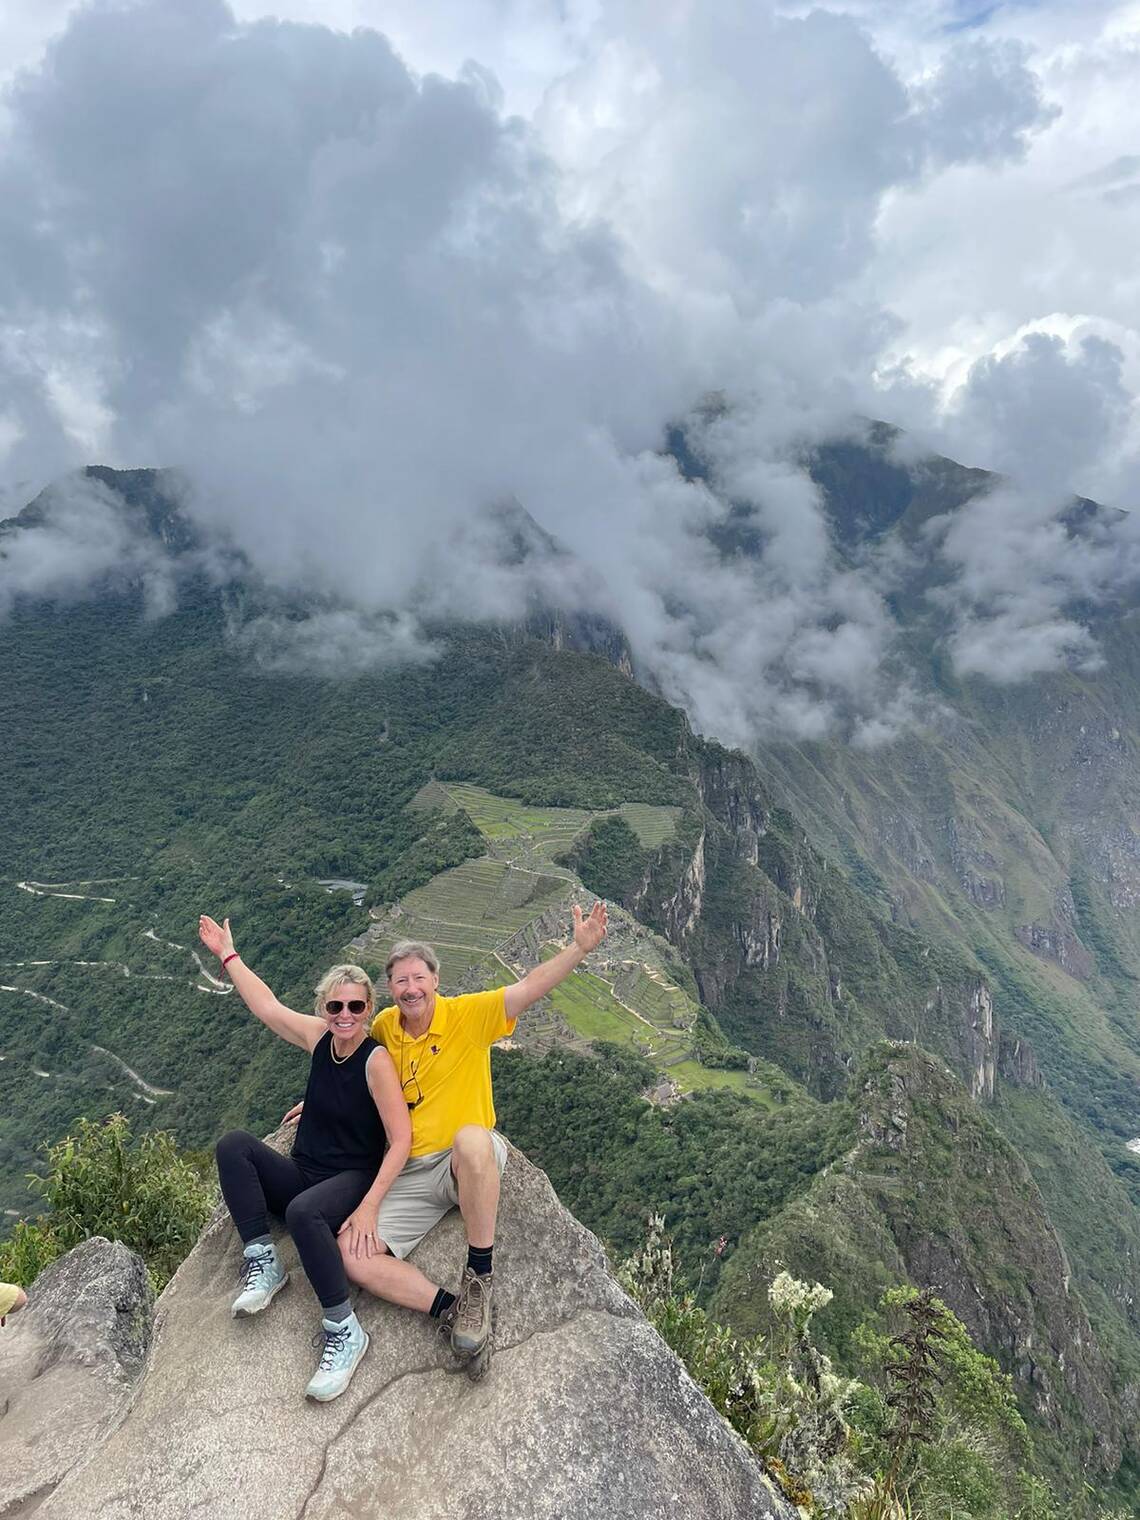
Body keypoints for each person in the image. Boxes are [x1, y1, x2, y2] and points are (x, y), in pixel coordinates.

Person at [288, 900, 607, 1377]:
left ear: (436, 980)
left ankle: (479, 1274)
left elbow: (527, 989)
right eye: (401, 980)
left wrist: (578, 950)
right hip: (410, 1170)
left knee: (472, 1140)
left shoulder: (468, 1015)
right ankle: (451, 1307)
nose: (411, 988)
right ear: (390, 990)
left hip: (463, 1162)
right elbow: (351, 1065)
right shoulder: (383, 1028)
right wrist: (319, 1101)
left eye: (420, 978)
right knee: (352, 1255)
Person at [198, 914, 411, 1402]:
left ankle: (343, 1328)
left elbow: (400, 1139)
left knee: (302, 1212)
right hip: (306, 1171)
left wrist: (371, 1205)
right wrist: (228, 956)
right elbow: (267, 1006)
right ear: (323, 1006)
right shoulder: (319, 1039)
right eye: (335, 1005)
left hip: (351, 1177)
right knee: (233, 1145)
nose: (345, 1014)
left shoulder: (375, 1062)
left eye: (356, 1006)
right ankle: (263, 1259)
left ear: (368, 1008)